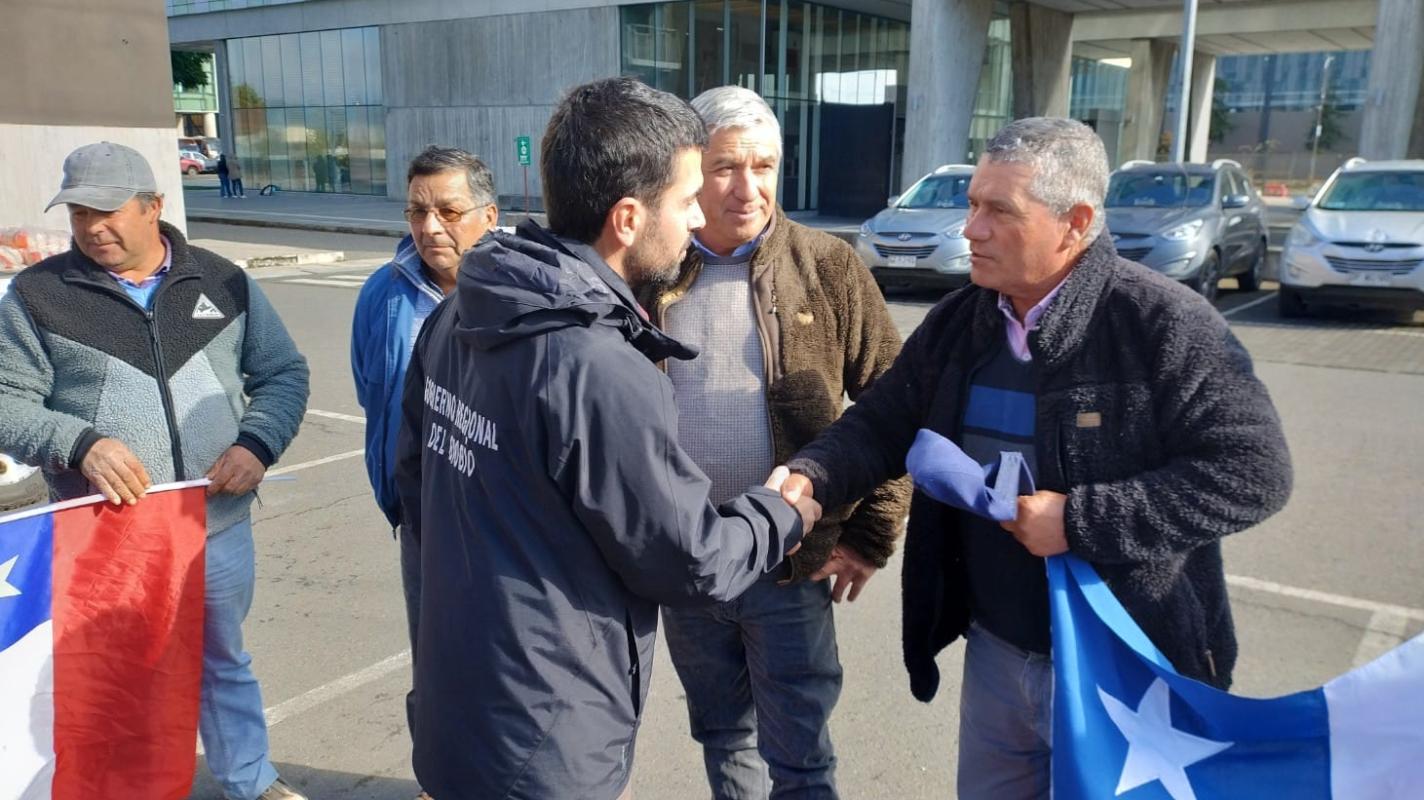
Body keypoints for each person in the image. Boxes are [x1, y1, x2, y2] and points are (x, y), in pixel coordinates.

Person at [779, 117, 1293, 799]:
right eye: (972, 204)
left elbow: (1254, 471)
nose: (971, 229)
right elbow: (882, 423)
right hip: (998, 652)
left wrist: (1080, 521)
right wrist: (812, 474)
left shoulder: (1163, 324)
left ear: (1074, 223)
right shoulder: (961, 322)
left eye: (999, 211)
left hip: (1129, 670)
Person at [393, 76, 818, 799]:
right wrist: (785, 512)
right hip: (545, 737)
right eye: (686, 201)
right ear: (627, 218)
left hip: (458, 704)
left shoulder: (464, 310)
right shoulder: (597, 366)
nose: (696, 219)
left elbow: (415, 489)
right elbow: (690, 561)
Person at [0, 142, 312, 800]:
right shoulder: (37, 296)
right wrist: (79, 443)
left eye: (107, 211)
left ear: (153, 207)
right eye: (79, 213)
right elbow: (6, 403)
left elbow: (282, 373)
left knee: (222, 659)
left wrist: (257, 444)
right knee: (116, 675)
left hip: (213, 526)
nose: (93, 228)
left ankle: (252, 781)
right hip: (106, 537)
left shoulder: (223, 281)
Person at [644, 86, 908, 800]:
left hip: (790, 563)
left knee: (800, 755)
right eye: (726, 167)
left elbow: (898, 404)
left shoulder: (827, 266)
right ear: (691, 169)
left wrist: (871, 534)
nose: (748, 187)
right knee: (724, 734)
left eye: (763, 166)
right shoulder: (652, 271)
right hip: (689, 558)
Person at [349, 146, 499, 754]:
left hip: (504, 523)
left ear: (489, 216)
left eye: (449, 211)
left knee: (509, 666)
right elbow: (373, 390)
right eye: (417, 211)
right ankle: (439, 777)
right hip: (422, 518)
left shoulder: (526, 288)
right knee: (434, 662)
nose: (431, 227)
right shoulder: (383, 295)